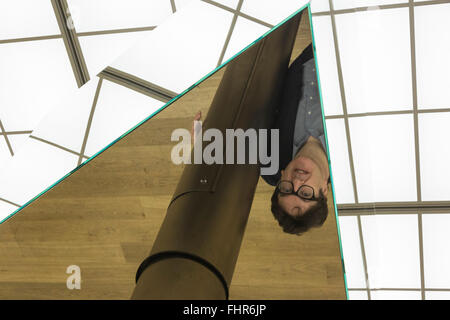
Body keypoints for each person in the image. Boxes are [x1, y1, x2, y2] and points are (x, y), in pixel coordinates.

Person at [261, 43, 331, 235]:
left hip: (312, 51)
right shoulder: (352, 164)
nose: (297, 182)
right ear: (324, 191)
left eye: (285, 189)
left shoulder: (272, 165)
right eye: (306, 194)